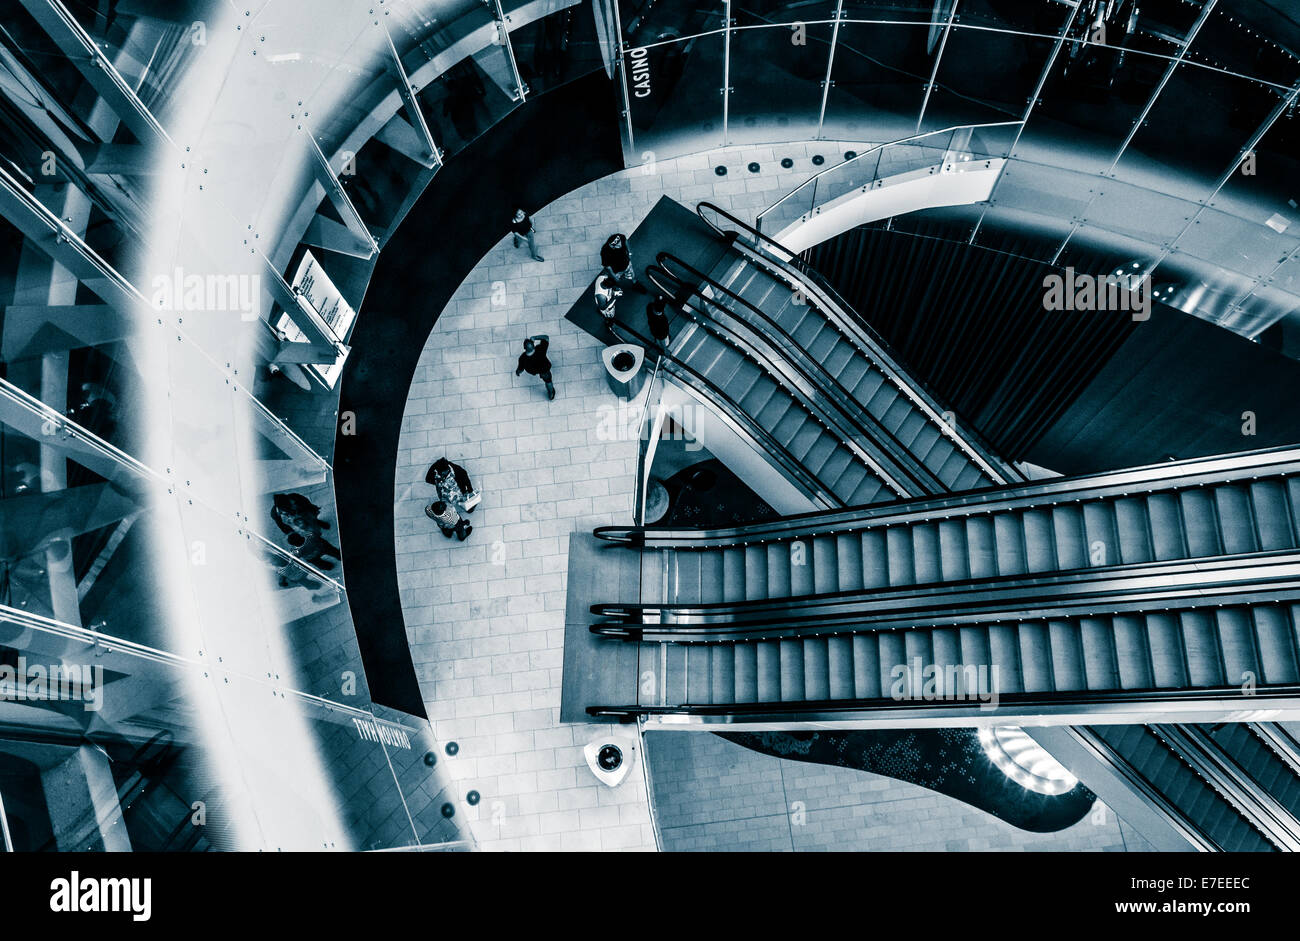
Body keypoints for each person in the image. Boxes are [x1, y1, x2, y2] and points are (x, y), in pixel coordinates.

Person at [515, 334, 555, 400]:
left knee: (545, 377)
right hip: (544, 369)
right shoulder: (540, 349)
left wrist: (517, 372)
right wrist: (535, 337)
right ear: (533, 346)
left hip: (534, 370)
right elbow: (546, 337)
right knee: (548, 381)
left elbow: (520, 368)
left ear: (524, 348)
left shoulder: (522, 358)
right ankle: (551, 393)